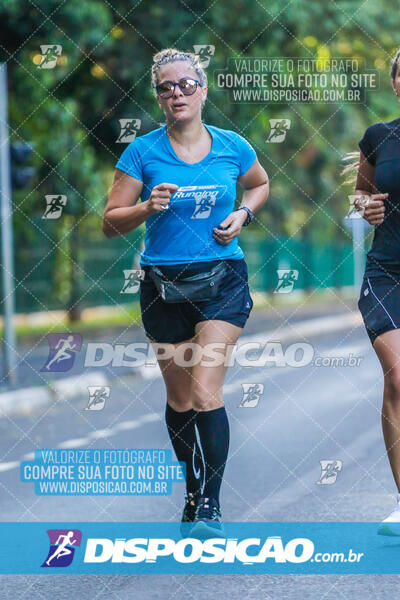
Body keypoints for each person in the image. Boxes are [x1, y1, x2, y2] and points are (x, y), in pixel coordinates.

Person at [102, 48, 269, 537]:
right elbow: (111, 222)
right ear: (158, 97)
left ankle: (211, 507)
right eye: (166, 87)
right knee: (179, 399)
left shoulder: (232, 145)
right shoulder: (142, 152)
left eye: (185, 84)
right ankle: (192, 489)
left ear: (203, 88)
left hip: (222, 280)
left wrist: (243, 214)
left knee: (204, 391)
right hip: (163, 286)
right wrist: (146, 208)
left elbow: (259, 185)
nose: (176, 93)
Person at [351, 47, 400, 535]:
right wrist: (366, 206)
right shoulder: (379, 137)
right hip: (388, 271)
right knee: (399, 378)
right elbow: (362, 193)